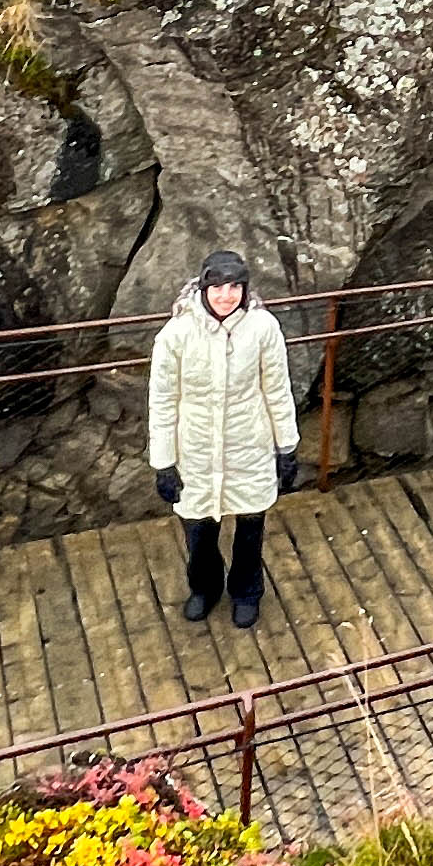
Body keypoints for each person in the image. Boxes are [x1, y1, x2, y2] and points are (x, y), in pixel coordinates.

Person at [146, 246, 298, 628]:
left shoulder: (264, 328)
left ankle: (247, 591)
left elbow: (276, 390)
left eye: (235, 286)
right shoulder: (176, 334)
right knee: (199, 530)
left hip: (249, 445)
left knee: (250, 528)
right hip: (195, 449)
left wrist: (287, 447)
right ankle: (204, 588)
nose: (226, 295)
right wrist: (164, 463)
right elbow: (163, 400)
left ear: (245, 289)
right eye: (218, 286)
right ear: (203, 287)